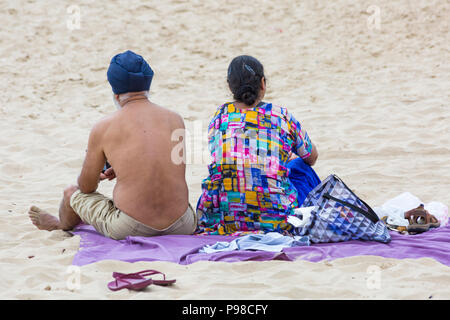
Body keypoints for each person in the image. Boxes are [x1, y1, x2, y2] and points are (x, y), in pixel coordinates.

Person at [29, 50, 196, 240]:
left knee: (71, 192)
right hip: (183, 224)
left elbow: (86, 187)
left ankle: (61, 225)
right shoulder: (175, 119)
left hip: (132, 227)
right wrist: (127, 167)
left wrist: (98, 175)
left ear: (115, 92)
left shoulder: (104, 127)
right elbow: (166, 165)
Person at [196, 55, 321, 235]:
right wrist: (288, 156)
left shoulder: (219, 117)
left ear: (229, 86)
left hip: (226, 218)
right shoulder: (280, 115)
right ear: (263, 83)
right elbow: (311, 157)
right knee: (300, 167)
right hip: (278, 219)